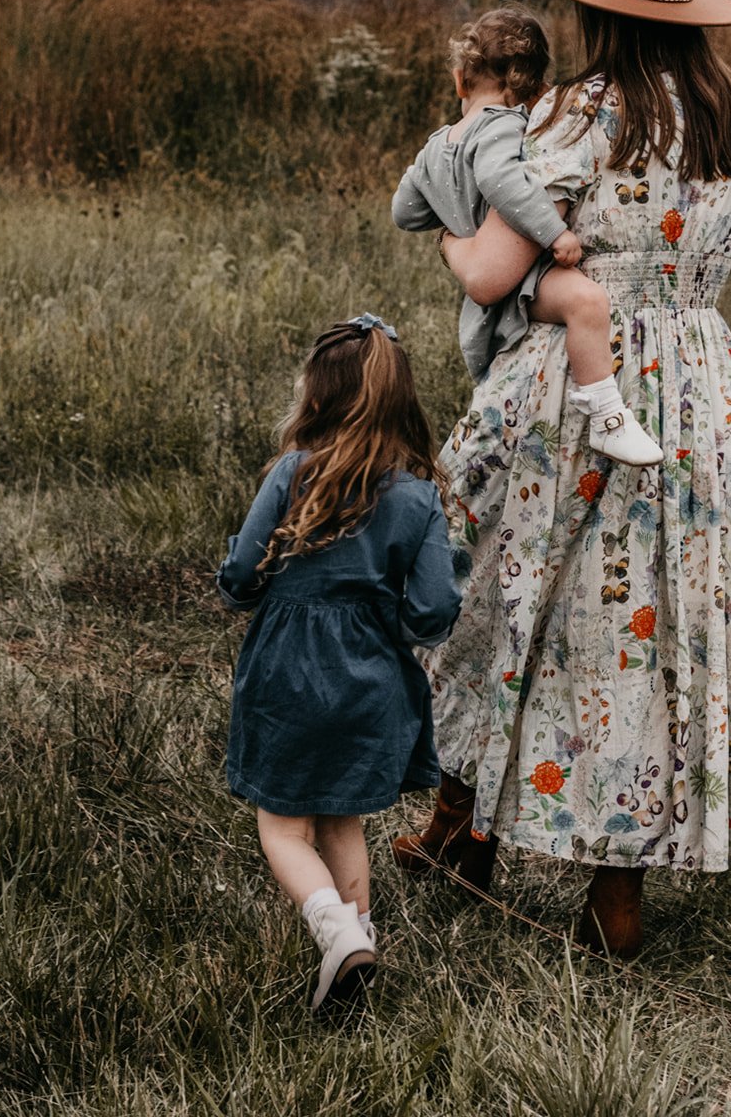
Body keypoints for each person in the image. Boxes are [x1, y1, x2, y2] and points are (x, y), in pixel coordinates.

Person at [392, 0, 731, 958]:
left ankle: (461, 832)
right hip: (698, 392)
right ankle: (610, 896)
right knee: (660, 626)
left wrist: (458, 215)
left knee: (499, 596)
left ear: (589, 7)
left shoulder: (571, 114)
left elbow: (499, 271)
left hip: (574, 386)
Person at [216, 314, 460, 1011]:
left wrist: (242, 582)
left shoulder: (293, 473)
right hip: (374, 675)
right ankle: (361, 947)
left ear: (316, 399)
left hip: (287, 671)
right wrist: (393, 621)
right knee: (342, 817)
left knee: (284, 825)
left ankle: (336, 935)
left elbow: (241, 578)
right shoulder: (418, 498)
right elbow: (434, 610)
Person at [392, 5, 661, 467]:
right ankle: (607, 417)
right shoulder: (503, 126)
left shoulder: (437, 145)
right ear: (535, 91)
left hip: (487, 288)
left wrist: (453, 220)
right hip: (522, 275)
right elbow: (502, 180)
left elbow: (405, 211)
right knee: (587, 301)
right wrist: (554, 232)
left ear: (460, 79)